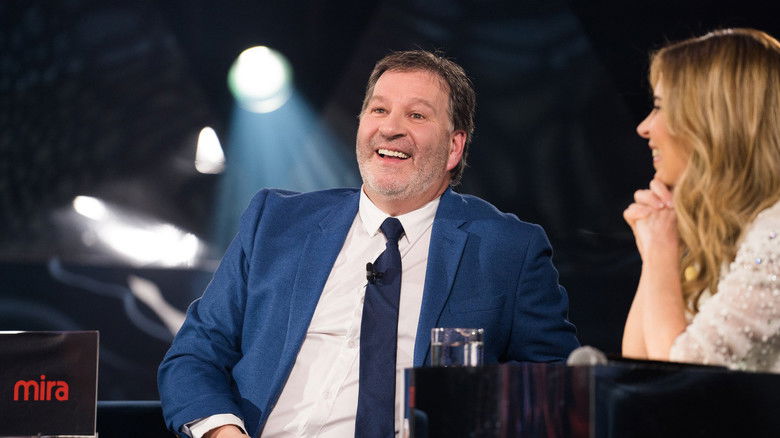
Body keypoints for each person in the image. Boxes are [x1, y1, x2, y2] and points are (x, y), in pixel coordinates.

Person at [158, 50, 579, 438]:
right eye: (379, 109)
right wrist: (224, 434)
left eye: (416, 115)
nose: (390, 128)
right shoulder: (276, 222)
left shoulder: (508, 250)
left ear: (454, 147)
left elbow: (557, 390)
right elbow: (193, 356)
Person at [622, 28, 780, 372]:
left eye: (659, 107)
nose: (644, 127)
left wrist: (660, 253)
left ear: (712, 121)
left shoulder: (775, 234)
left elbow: (682, 377)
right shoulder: (720, 231)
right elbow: (635, 364)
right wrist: (656, 254)